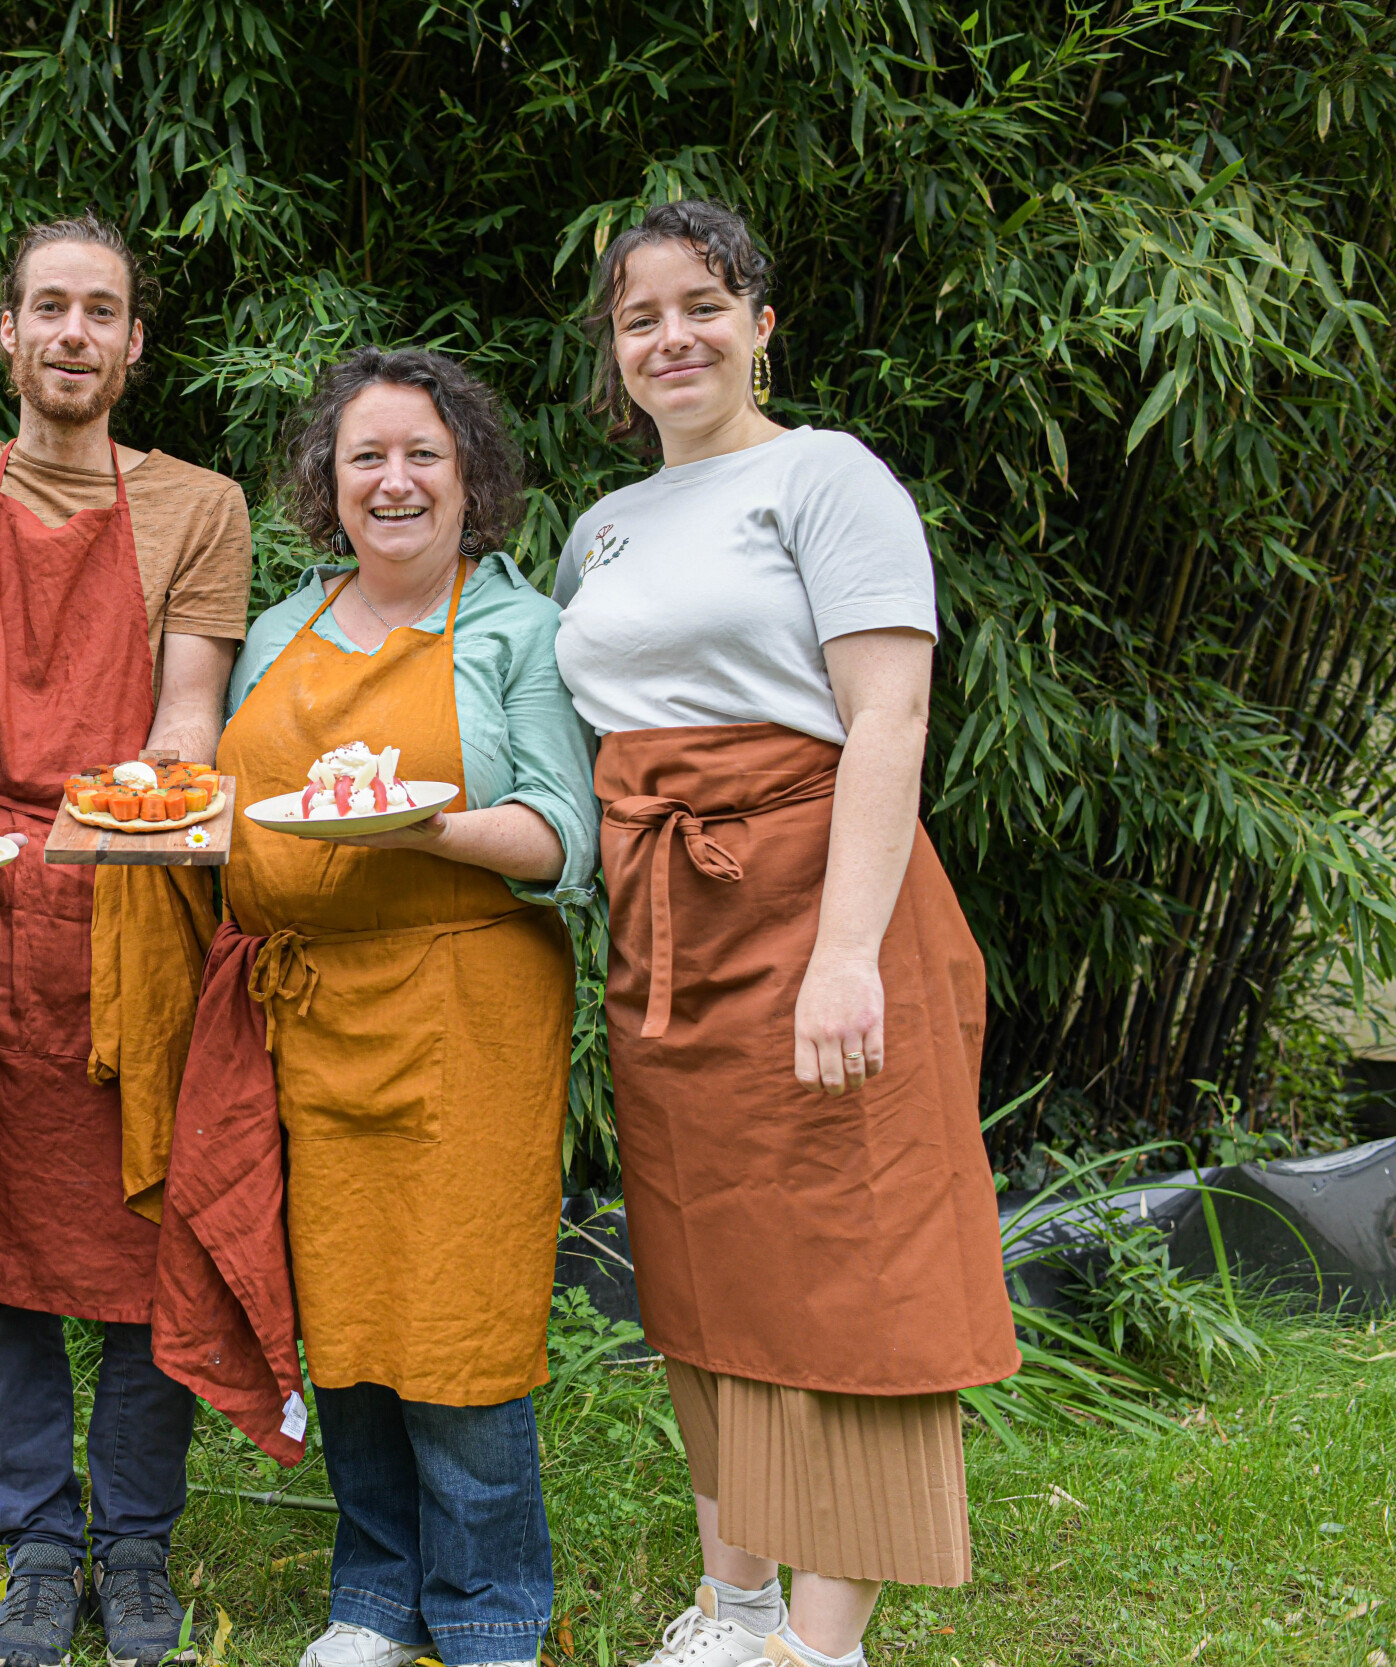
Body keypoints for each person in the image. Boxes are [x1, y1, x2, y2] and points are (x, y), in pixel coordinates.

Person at [551, 199, 1018, 1667]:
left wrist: (842, 954)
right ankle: (732, 1604)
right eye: (640, 318)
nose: (671, 336)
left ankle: (820, 1648)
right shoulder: (603, 528)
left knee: (853, 1264)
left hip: (823, 903)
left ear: (761, 322)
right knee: (704, 1261)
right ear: (613, 354)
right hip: (667, 932)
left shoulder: (827, 477)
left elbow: (890, 714)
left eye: (702, 304)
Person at [0, 213, 253, 1667]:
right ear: (5, 331)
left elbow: (186, 721)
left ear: (132, 344)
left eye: (99, 311)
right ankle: (39, 1543)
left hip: (135, 892)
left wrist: (120, 823)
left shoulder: (199, 506)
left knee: (148, 1234)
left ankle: (141, 1543)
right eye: (48, 306)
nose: (72, 334)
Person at [207, 347, 599, 1667]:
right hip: (309, 1013)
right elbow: (235, 809)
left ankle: (488, 1607)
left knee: (461, 1316)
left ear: (469, 477)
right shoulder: (278, 629)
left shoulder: (515, 628)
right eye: (366, 454)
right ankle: (376, 1594)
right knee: (353, 1314)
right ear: (327, 479)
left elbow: (563, 840)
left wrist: (428, 825)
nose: (394, 480)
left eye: (422, 454)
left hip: (467, 1004)